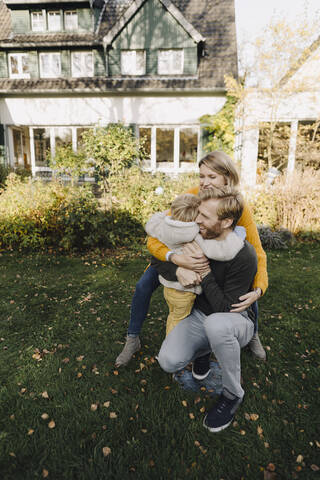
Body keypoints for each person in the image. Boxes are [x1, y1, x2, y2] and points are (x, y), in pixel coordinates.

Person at [115, 151, 268, 367]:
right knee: (142, 286)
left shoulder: (237, 206)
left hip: (210, 256)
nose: (205, 182)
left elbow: (258, 252)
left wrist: (259, 289)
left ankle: (253, 334)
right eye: (201, 176)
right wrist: (176, 260)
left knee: (245, 287)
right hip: (177, 254)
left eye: (211, 177)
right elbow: (154, 239)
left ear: (227, 178)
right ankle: (133, 338)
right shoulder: (191, 196)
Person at [157, 186, 258, 432]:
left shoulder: (244, 255)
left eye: (205, 216)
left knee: (216, 325)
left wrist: (204, 272)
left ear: (226, 222)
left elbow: (226, 307)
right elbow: (156, 261)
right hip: (200, 315)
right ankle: (204, 352)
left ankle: (233, 394)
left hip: (235, 320)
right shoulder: (197, 236)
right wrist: (177, 266)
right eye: (198, 213)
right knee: (168, 361)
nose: (197, 220)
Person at [145, 193, 246, 335]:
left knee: (173, 314)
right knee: (179, 320)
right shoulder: (195, 236)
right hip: (184, 290)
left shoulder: (162, 228)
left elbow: (151, 224)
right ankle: (174, 347)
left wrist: (166, 213)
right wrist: (238, 237)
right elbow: (221, 251)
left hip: (168, 286)